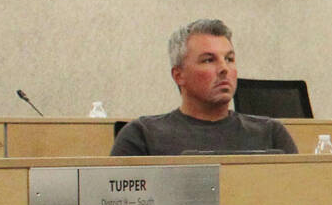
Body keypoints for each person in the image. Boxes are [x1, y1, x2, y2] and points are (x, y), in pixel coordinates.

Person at [110, 19, 297, 156]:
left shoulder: (270, 133)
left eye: (229, 59)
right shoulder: (142, 135)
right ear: (179, 75)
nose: (224, 69)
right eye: (209, 60)